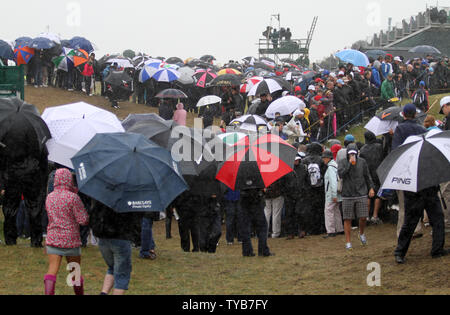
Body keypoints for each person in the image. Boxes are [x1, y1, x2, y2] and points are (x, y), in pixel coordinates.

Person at [393, 104, 449, 263]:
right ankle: (437, 249)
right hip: (428, 179)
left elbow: (396, 152)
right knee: (437, 218)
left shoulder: (400, 130)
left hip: (412, 180)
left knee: (410, 220)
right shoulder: (421, 129)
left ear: (403, 114)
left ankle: (400, 252)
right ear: (415, 114)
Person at [44, 169, 89, 295]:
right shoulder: (73, 197)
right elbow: (83, 220)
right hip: (71, 240)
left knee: (52, 271)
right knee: (75, 272)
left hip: (53, 239)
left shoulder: (49, 197)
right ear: (69, 180)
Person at [89, 201, 143, 295]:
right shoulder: (128, 199)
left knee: (113, 267)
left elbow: (93, 216)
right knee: (122, 273)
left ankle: (104, 293)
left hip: (103, 237)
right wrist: (137, 238)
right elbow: (135, 219)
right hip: (121, 238)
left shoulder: (102, 198)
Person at [338, 143, 375, 251]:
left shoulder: (362, 162)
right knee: (347, 218)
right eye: (350, 154)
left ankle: (361, 233)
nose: (352, 155)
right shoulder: (342, 162)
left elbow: (367, 176)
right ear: (347, 154)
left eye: (354, 153)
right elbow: (341, 174)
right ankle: (348, 241)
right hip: (347, 194)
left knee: (363, 217)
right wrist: (349, 164)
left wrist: (371, 188)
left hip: (361, 192)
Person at [359, 131, 384, 225]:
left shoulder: (363, 149)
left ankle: (366, 216)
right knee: (378, 194)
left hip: (367, 173)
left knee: (368, 194)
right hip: (378, 172)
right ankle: (375, 216)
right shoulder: (379, 147)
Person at [322, 149, 344, 238]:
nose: (323, 159)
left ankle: (331, 231)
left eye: (324, 158)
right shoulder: (336, 166)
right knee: (336, 211)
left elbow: (332, 182)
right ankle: (340, 229)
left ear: (328, 158)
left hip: (331, 194)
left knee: (328, 211)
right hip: (337, 193)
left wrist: (334, 195)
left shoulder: (330, 168)